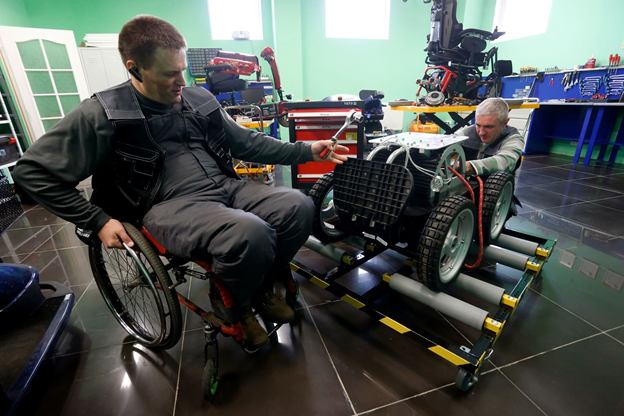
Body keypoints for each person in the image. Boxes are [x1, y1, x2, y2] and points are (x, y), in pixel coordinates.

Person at [13, 15, 348, 349]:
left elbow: (245, 142)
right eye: (169, 74)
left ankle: (257, 287)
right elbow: (32, 173)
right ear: (135, 69)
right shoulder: (102, 114)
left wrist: (305, 150)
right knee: (249, 232)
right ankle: (238, 306)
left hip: (224, 186)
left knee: (298, 206)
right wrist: (96, 220)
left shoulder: (197, 99)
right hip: (165, 205)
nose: (181, 82)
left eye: (182, 70)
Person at [457, 98, 524, 176]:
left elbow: (504, 162)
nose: (481, 132)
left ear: (504, 123)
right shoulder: (466, 132)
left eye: (488, 127)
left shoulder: (513, 138)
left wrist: (468, 166)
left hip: (495, 182)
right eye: (478, 125)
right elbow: (448, 143)